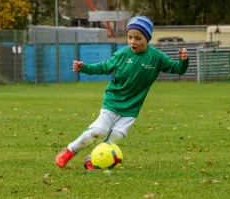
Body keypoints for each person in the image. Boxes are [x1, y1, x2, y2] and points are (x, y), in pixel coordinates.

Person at [55, 16, 189, 170]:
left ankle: (92, 160)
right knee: (99, 131)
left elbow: (177, 69)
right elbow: (103, 67)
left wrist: (183, 61)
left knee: (116, 136)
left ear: (148, 38)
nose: (133, 41)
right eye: (130, 37)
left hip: (132, 107)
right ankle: (70, 150)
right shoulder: (122, 54)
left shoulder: (157, 57)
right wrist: (84, 67)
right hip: (113, 101)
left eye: (138, 38)